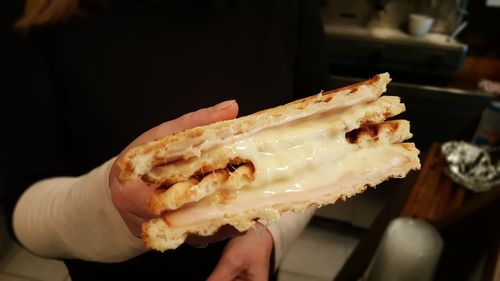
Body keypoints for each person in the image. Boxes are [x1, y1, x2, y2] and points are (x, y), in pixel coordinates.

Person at [0, 0, 331, 280]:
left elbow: (324, 139)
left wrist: (271, 235)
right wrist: (113, 204)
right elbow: (23, 205)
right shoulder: (37, 15)